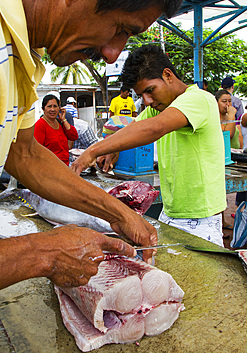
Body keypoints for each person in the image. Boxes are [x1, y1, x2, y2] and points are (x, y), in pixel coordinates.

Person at [0, 0, 184, 289]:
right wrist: (43, 253)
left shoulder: (18, 58)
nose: (112, 54)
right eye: (120, 28)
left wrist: (118, 213)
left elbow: (24, 154)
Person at [72, 44, 226, 247]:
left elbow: (154, 128)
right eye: (141, 95)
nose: (147, 100)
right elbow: (136, 127)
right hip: (170, 213)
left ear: (168, 75)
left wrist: (93, 150)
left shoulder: (199, 99)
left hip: (201, 219)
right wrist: (114, 146)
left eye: (150, 90)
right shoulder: (160, 107)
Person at [34, 95, 78, 166]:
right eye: (49, 106)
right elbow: (37, 152)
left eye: (55, 106)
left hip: (64, 167)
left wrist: (64, 120)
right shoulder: (40, 125)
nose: (52, 109)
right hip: (49, 168)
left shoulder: (60, 123)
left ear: (59, 108)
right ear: (43, 109)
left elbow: (74, 136)